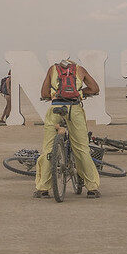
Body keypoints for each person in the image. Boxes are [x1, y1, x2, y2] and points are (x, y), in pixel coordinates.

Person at [33, 58, 101, 198]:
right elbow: (94, 88)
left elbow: (44, 93)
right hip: (74, 109)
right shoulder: (80, 69)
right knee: (82, 149)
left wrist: (54, 94)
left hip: (56, 108)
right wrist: (82, 93)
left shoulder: (52, 69)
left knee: (48, 149)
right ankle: (92, 189)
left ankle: (43, 189)